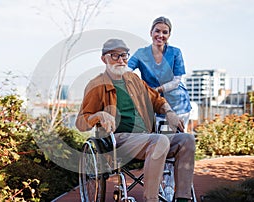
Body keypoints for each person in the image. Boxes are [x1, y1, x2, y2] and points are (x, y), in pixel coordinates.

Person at [76, 38, 195, 202]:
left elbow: (156, 100)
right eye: (115, 56)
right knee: (159, 140)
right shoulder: (96, 85)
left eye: (124, 55)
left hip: (147, 138)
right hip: (119, 142)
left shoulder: (134, 80)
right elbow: (81, 122)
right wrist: (99, 115)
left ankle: (183, 198)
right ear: (104, 59)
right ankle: (151, 199)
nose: (121, 60)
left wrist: (169, 112)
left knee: (187, 140)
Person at [128, 16, 192, 131]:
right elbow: (126, 71)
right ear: (151, 32)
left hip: (177, 104)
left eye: (165, 32)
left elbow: (176, 81)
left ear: (169, 35)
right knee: (158, 140)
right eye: (157, 31)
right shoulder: (141, 53)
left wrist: (155, 91)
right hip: (154, 103)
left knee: (175, 140)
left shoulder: (175, 52)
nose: (160, 35)